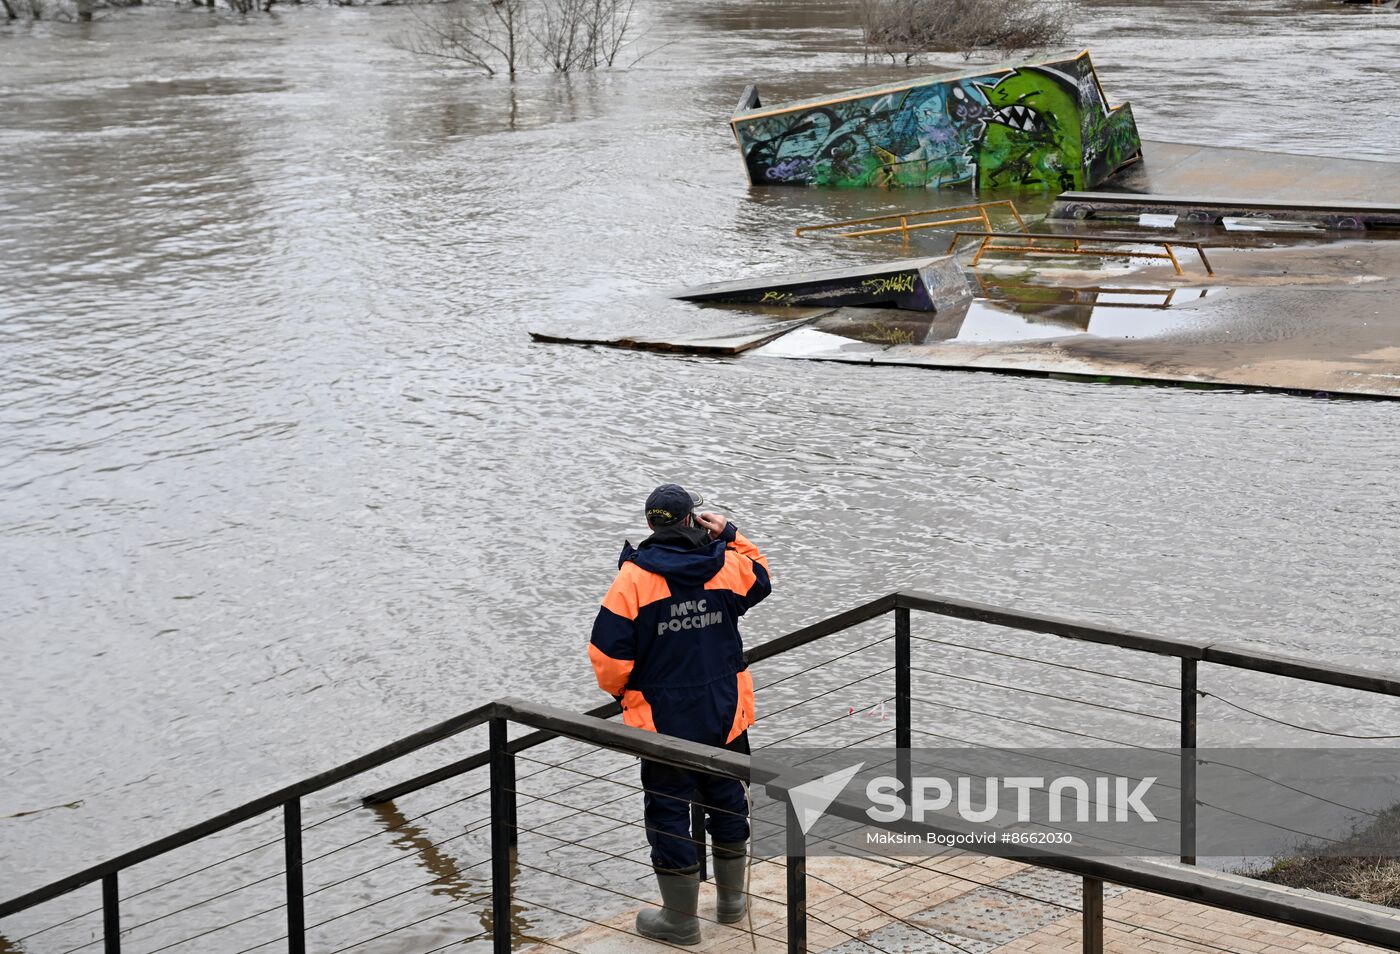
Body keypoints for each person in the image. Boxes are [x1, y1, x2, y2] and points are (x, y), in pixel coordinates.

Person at [589, 483, 772, 944]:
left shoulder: (632, 579)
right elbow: (762, 578)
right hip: (725, 711)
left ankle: (681, 921)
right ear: (693, 519)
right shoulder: (726, 564)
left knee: (669, 812)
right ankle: (732, 903)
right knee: (728, 798)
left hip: (664, 721)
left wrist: (625, 695)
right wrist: (731, 532)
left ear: (651, 524)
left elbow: (607, 656)